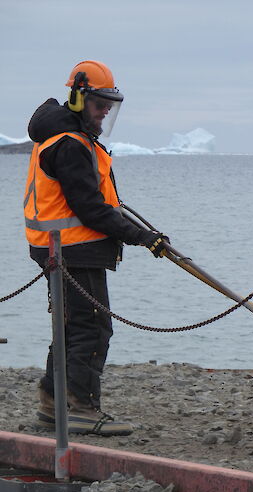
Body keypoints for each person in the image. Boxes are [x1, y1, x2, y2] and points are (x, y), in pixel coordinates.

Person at [24, 60, 168, 436]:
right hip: (74, 248)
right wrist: (142, 237)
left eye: (109, 104)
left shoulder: (61, 137)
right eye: (99, 103)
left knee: (70, 327)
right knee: (91, 329)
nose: (105, 111)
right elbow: (89, 209)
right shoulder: (69, 145)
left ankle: (52, 404)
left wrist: (136, 230)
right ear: (77, 99)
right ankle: (81, 408)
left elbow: (95, 203)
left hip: (59, 248)